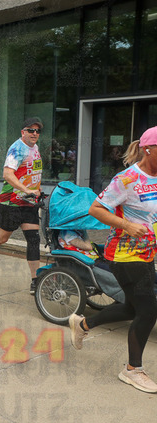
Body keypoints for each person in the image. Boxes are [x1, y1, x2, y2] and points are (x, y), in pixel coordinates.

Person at [69, 127, 157, 394]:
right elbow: (95, 209)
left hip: (147, 253)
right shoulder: (127, 179)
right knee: (148, 310)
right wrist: (127, 225)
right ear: (148, 149)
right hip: (124, 254)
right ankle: (132, 370)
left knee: (132, 309)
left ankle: (82, 324)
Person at [0, 117, 44, 294]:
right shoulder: (17, 149)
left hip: (29, 203)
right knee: (1, 238)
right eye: (31, 130)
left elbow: (33, 172)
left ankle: (35, 281)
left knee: (34, 239)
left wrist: (37, 189)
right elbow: (7, 174)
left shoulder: (35, 148)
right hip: (10, 202)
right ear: (23, 132)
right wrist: (26, 189)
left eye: (37, 131)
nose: (34, 133)